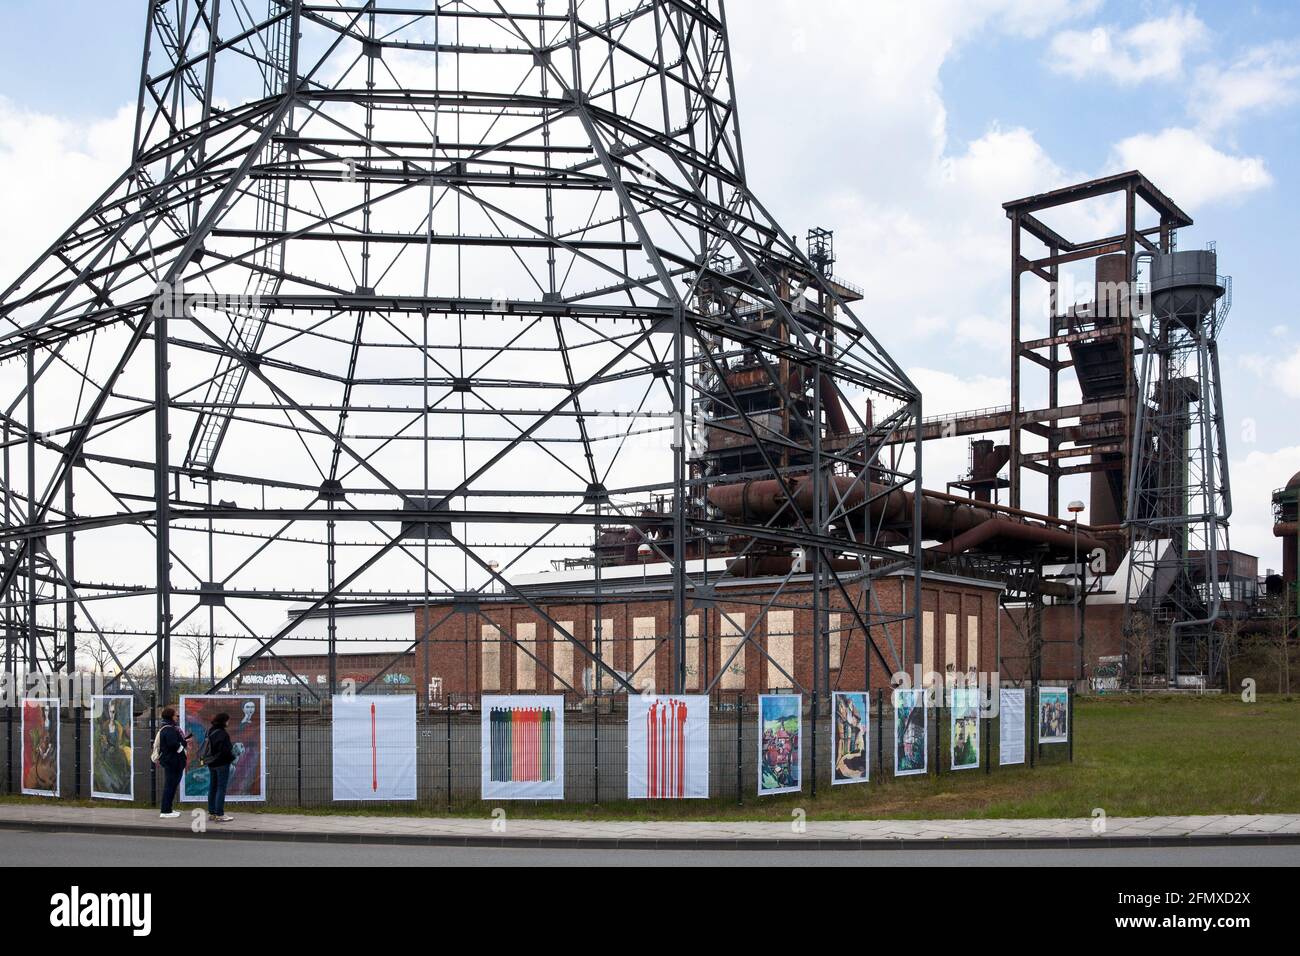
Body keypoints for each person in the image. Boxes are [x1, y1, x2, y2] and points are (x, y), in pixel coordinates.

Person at [156, 707, 190, 819]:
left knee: (171, 785)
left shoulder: (168, 728)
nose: (177, 717)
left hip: (172, 761)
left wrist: (182, 743)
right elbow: (172, 744)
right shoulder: (169, 729)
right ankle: (165, 810)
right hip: (173, 761)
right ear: (171, 716)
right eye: (176, 715)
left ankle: (168, 809)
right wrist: (182, 747)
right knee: (170, 785)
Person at [204, 712, 236, 822]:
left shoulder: (211, 731)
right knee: (221, 788)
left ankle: (212, 812)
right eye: (227, 720)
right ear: (224, 721)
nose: (228, 722)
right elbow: (225, 750)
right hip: (222, 764)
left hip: (211, 763)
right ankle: (220, 814)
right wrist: (232, 757)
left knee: (212, 787)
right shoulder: (223, 733)